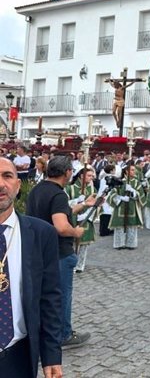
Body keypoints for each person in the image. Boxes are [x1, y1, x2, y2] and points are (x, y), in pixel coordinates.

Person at [0, 158, 63, 378]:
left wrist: (51, 355)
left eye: (7, 176)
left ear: (18, 185)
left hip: (18, 356)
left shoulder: (41, 234)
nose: (1, 184)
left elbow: (50, 297)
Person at [25, 155, 91, 349]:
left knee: (41, 295)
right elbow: (61, 226)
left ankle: (39, 331)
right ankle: (63, 334)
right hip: (58, 253)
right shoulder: (59, 194)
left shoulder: (37, 190)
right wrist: (76, 231)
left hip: (37, 250)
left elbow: (60, 212)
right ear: (68, 172)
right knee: (60, 295)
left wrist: (85, 205)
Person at [65, 167, 99, 273]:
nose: (91, 178)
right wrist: (76, 201)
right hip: (73, 219)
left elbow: (97, 205)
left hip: (86, 219)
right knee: (73, 243)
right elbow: (64, 204)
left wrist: (87, 215)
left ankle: (80, 265)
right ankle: (71, 264)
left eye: (92, 176)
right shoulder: (70, 188)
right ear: (81, 176)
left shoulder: (93, 190)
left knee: (84, 244)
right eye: (89, 175)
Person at [106, 162, 144, 249]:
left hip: (132, 207)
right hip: (120, 207)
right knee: (119, 226)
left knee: (131, 226)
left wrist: (133, 192)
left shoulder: (136, 182)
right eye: (132, 170)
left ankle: (131, 244)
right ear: (126, 171)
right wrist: (120, 198)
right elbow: (112, 194)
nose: (134, 172)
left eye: (134, 170)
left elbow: (141, 195)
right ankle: (119, 244)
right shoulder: (120, 182)